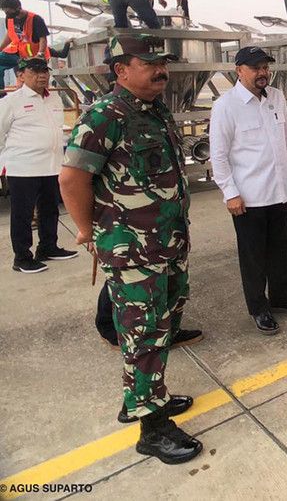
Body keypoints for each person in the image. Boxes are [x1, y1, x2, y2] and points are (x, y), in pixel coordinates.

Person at [59, 34, 202, 464]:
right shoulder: (105, 116)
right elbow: (71, 179)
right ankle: (152, 429)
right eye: (150, 63)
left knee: (161, 329)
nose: (161, 71)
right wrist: (87, 231)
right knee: (145, 336)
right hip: (133, 253)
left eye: (163, 63)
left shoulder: (155, 110)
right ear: (121, 70)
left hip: (167, 244)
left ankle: (143, 397)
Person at [209, 46, 287, 335]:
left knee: (281, 250)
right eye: (256, 68)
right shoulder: (226, 106)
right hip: (248, 198)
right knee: (253, 257)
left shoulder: (276, 97)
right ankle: (259, 308)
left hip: (278, 191)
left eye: (265, 67)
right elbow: (218, 154)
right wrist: (230, 192)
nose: (263, 72)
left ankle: (282, 298)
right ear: (239, 71)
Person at [0, 57, 77, 273]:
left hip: (52, 165)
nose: (42, 75)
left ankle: (48, 247)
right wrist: (6, 159)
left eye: (45, 71)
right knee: (22, 215)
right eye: (35, 71)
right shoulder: (10, 101)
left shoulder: (54, 99)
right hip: (23, 167)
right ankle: (22, 258)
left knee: (50, 209)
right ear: (21, 75)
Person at [1, 0, 50, 86]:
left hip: (35, 58)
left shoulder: (35, 19)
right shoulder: (9, 18)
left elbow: (43, 39)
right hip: (20, 57)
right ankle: (1, 94)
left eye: (8, 10)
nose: (6, 13)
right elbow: (10, 35)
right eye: (5, 11)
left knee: (34, 83)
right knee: (21, 81)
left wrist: (39, 55)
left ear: (18, 7)